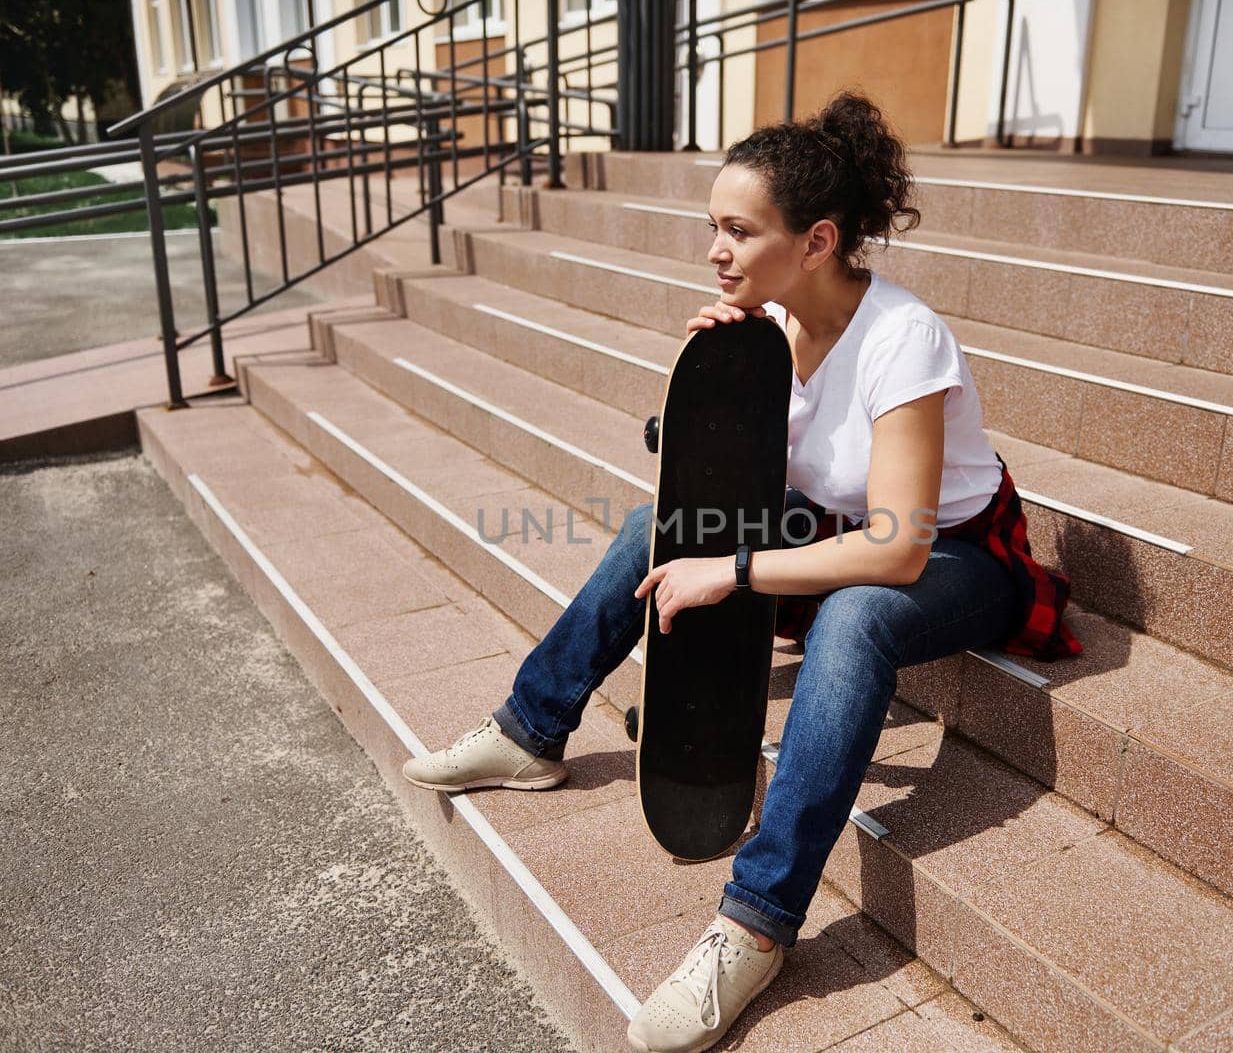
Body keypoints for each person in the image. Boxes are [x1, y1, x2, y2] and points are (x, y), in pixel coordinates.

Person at [401, 90, 1082, 1053]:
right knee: (656, 524)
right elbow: (720, 484)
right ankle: (531, 730)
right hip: (833, 534)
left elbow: (898, 549)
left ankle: (756, 923)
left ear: (817, 241)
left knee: (854, 616)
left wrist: (739, 570)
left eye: (737, 230)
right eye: (712, 227)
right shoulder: (763, 331)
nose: (715, 249)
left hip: (962, 560)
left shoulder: (903, 338)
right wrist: (715, 389)